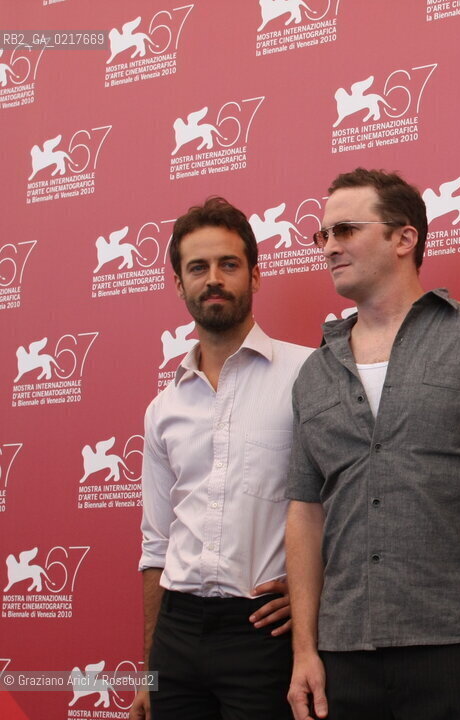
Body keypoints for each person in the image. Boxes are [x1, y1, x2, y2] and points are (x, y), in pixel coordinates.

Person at [285, 168, 460, 720]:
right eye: (323, 236)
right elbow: (305, 512)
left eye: (345, 230)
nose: (329, 247)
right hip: (344, 651)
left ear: (404, 238)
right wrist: (305, 650)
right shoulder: (313, 372)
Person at [135, 197, 313, 720]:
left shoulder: (309, 375)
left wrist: (308, 596)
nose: (213, 279)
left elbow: (346, 502)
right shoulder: (163, 407)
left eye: (228, 265)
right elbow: (155, 546)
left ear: (255, 276)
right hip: (177, 631)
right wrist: (148, 671)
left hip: (264, 634)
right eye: (198, 267)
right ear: (179, 284)